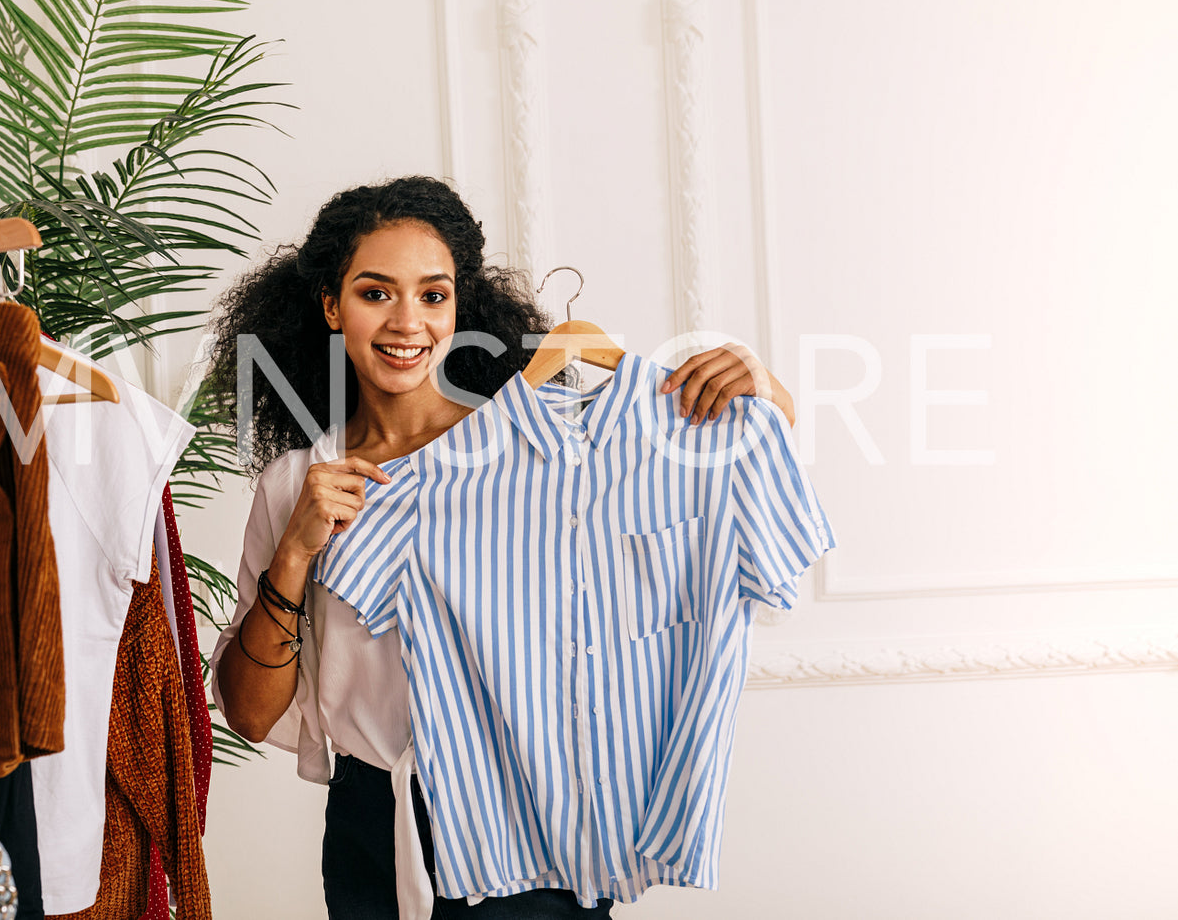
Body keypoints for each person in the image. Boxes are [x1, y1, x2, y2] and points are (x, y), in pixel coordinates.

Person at [205, 176, 796, 919]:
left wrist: (768, 398)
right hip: (370, 829)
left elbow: (716, 482)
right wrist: (292, 555)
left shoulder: (542, 451)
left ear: (460, 306)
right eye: (375, 292)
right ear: (331, 304)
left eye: (432, 294)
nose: (406, 321)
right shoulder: (298, 482)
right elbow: (250, 716)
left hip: (524, 809)